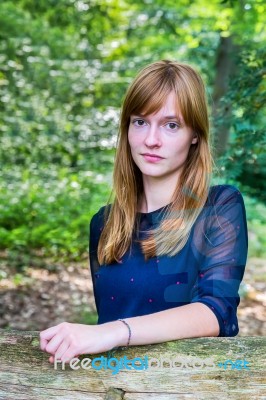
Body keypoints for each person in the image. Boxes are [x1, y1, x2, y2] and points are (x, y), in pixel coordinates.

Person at [40, 60, 248, 364]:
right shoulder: (104, 223)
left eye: (171, 124)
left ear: (194, 135)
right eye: (140, 121)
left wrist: (111, 332)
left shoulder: (219, 207)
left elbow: (216, 312)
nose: (151, 139)